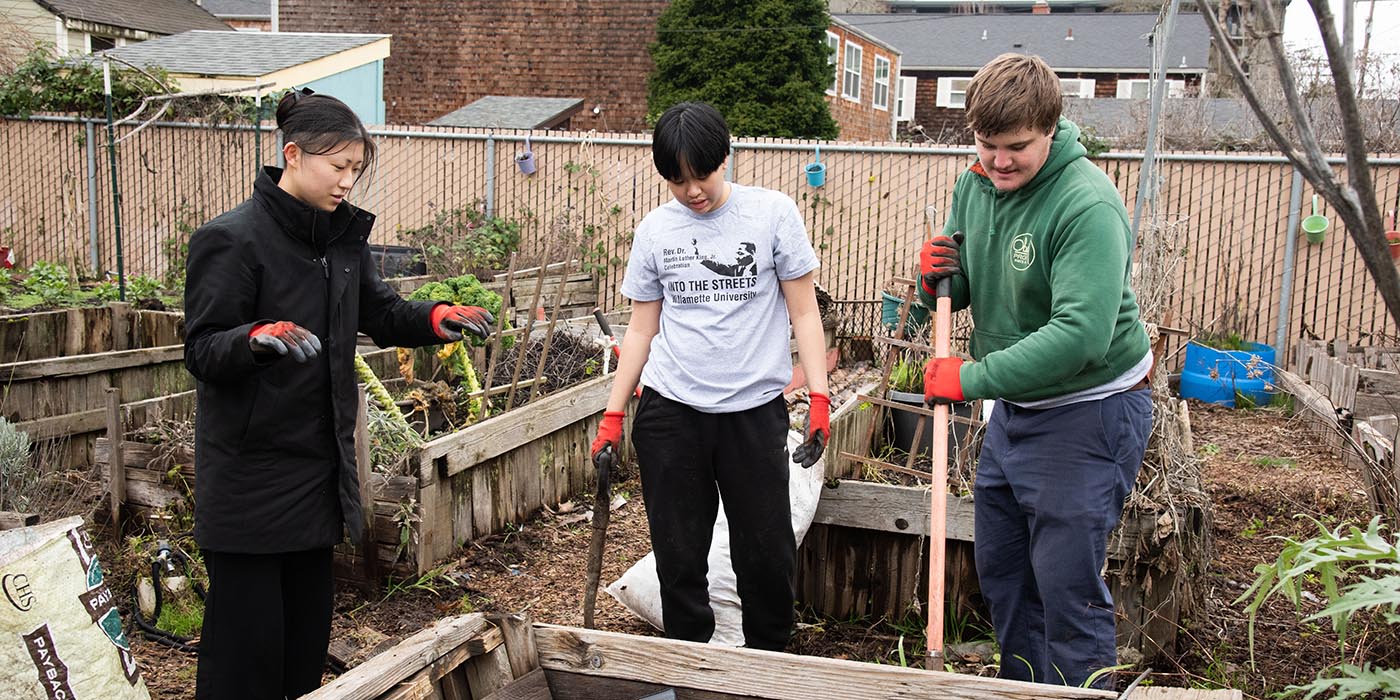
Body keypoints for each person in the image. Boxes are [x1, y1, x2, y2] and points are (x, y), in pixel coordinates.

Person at [183, 88, 494, 700]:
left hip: (318, 473)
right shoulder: (233, 239)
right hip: (249, 482)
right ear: (293, 155)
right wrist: (253, 338)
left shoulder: (340, 241)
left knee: (302, 654)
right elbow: (202, 348)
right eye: (338, 166)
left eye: (357, 169)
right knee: (245, 662)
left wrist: (432, 319)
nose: (348, 181)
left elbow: (377, 311)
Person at [918, 54, 1153, 688]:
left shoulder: (1087, 206)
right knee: (1006, 577)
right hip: (1018, 409)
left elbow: (1079, 336)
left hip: (1088, 410)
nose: (999, 162)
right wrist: (933, 278)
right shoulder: (977, 182)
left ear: (1051, 128)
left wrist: (969, 378)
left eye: (1016, 147)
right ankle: (1025, 688)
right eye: (986, 144)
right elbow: (960, 287)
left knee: (1067, 589)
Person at [589, 101, 830, 651]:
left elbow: (804, 312)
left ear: (726, 156)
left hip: (752, 413)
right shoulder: (655, 231)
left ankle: (767, 671)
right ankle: (688, 672)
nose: (692, 190)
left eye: (702, 175)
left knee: (765, 559)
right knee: (679, 560)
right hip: (672, 414)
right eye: (677, 180)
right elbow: (640, 330)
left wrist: (819, 397)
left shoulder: (772, 214)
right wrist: (612, 413)